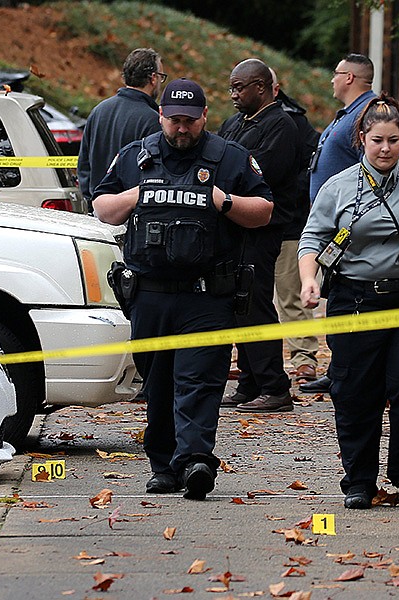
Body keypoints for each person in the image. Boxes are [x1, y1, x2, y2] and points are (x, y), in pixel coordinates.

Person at [92, 78, 273, 501]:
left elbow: (264, 211)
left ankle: (195, 460)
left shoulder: (229, 158)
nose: (181, 128)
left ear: (204, 117)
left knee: (199, 380)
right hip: (151, 294)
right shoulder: (137, 156)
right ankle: (163, 467)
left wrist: (223, 201)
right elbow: (102, 207)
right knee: (157, 382)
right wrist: (137, 195)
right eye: (174, 120)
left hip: (207, 294)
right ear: (161, 117)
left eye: (190, 121)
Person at [298, 93, 399, 509]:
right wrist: (309, 281)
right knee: (355, 391)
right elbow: (312, 239)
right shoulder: (338, 186)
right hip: (355, 299)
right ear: (362, 140)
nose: (385, 149)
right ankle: (358, 481)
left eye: (393, 140)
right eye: (377, 141)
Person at [218, 58, 300, 413]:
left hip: (264, 227)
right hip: (235, 227)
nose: (233, 94)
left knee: (257, 305)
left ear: (261, 88)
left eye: (239, 87)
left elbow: (258, 172)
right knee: (240, 305)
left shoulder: (282, 124)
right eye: (232, 87)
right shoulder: (236, 122)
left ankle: (274, 386)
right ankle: (250, 383)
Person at [300, 53, 377, 395]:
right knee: (338, 297)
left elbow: (374, 167)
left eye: (336, 74)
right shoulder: (349, 114)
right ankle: (339, 367)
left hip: (352, 226)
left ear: (349, 78)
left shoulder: (369, 114)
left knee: (351, 298)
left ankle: (349, 370)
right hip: (334, 226)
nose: (331, 80)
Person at [270, 68, 320, 383]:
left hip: (289, 223)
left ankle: (304, 358)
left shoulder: (296, 123)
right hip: (253, 224)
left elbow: (312, 169)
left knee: (291, 295)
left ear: (274, 89)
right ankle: (258, 362)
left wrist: (288, 195)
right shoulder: (239, 123)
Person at [78, 47, 166, 208]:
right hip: (131, 212)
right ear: (153, 78)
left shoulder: (99, 111)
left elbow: (84, 165)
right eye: (161, 77)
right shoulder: (152, 120)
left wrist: (92, 202)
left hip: (98, 211)